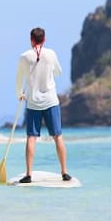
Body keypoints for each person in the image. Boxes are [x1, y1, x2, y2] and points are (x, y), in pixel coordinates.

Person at [15, 27, 70, 183]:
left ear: (31, 40)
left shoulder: (24, 57)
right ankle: (64, 172)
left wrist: (19, 94)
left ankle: (28, 174)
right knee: (57, 136)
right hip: (51, 101)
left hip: (33, 102)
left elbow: (19, 79)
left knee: (31, 138)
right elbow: (58, 72)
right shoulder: (51, 54)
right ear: (44, 40)